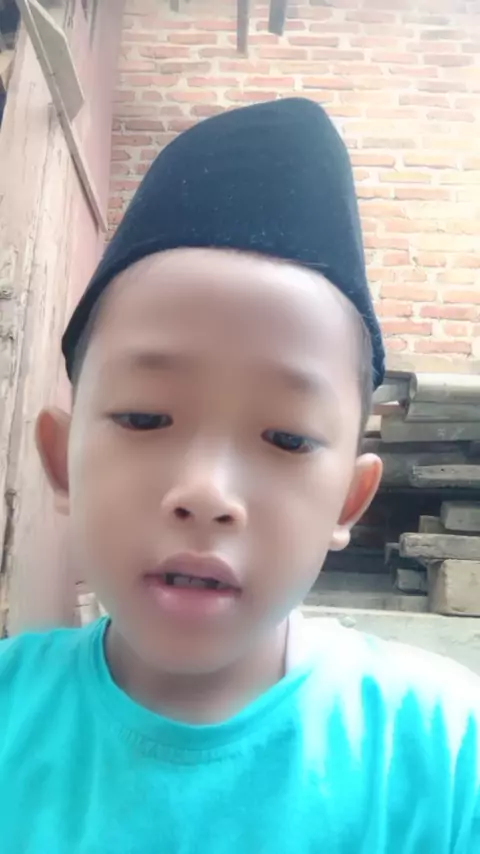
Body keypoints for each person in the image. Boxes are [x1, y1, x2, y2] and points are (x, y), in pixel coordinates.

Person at [0, 97, 479, 852]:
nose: (205, 493)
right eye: (144, 418)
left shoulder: (444, 758)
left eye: (285, 438)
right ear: (61, 461)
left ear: (348, 499)